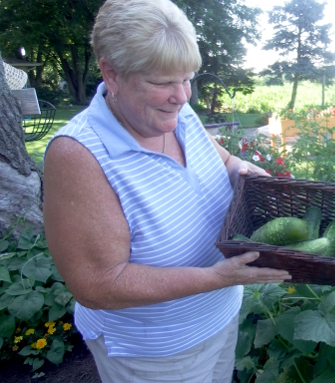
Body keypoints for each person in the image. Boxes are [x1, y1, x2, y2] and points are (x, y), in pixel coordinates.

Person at [42, 0, 291, 382]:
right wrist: (216, 277)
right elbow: (97, 284)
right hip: (156, 354)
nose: (182, 95)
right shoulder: (78, 155)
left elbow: (223, 162)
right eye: (161, 83)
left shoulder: (175, 112)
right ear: (111, 73)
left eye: (187, 78)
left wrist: (247, 173)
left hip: (220, 317)